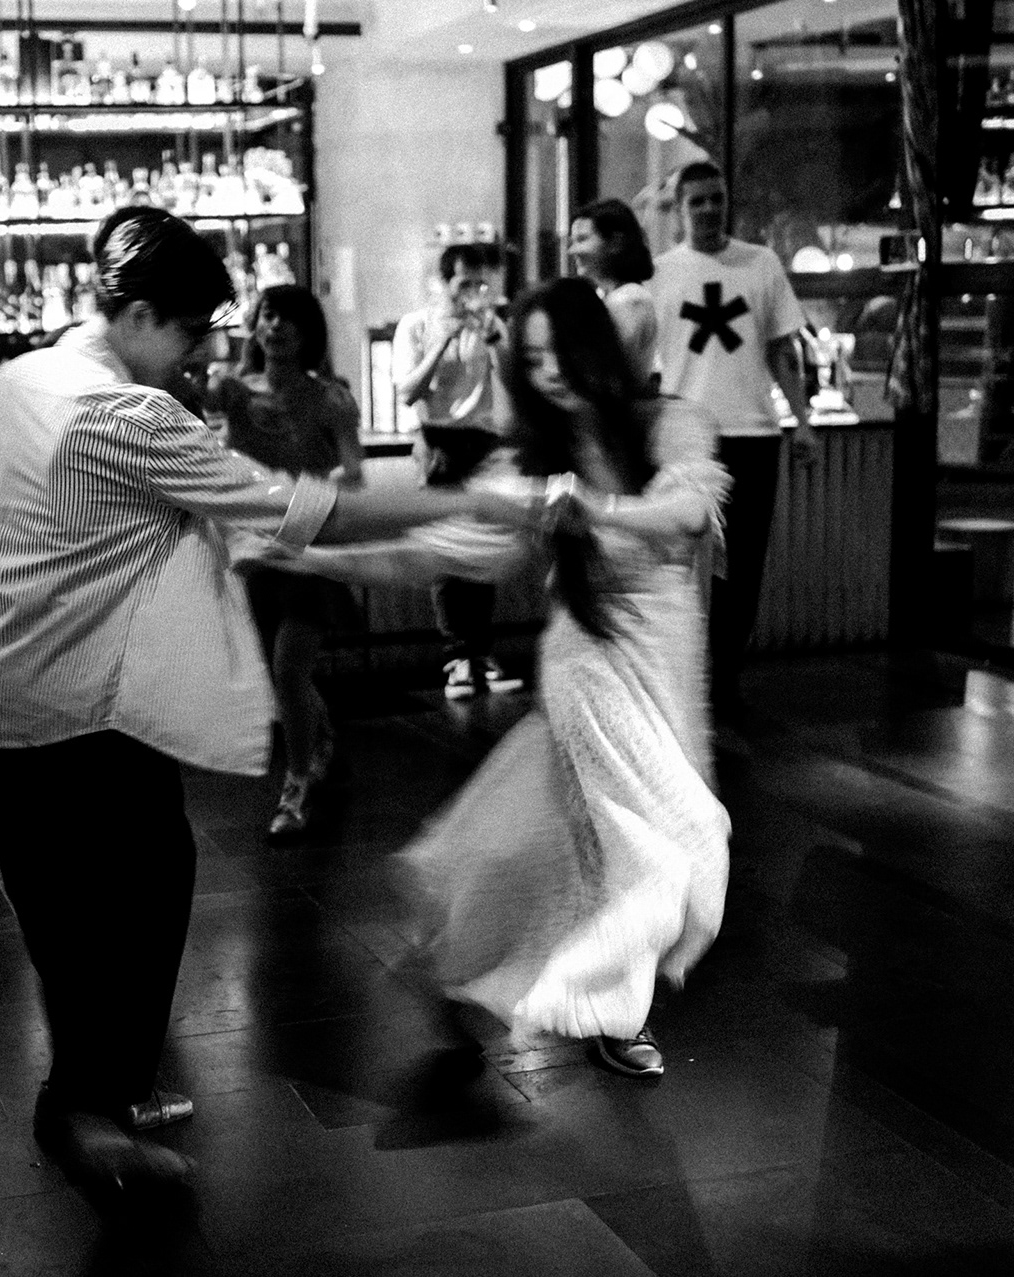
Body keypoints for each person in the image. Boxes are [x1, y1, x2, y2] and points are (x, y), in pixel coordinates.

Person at [0, 207, 538, 1195]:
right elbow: (312, 511)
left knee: (64, 907)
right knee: (139, 894)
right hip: (82, 703)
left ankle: (96, 1093)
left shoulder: (21, 378)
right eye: (188, 331)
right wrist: (470, 502)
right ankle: (86, 1109)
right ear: (138, 313)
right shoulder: (128, 415)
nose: (199, 354)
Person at [274, 276, 732, 1084]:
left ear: (596, 345)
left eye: (562, 352)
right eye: (533, 359)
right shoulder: (532, 465)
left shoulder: (671, 424)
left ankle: (576, 1003)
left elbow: (689, 515)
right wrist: (311, 557)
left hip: (664, 666)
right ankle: (551, 998)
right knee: (645, 843)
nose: (550, 372)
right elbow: (429, 549)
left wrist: (592, 509)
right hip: (589, 671)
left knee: (583, 848)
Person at [648, 160, 816, 715]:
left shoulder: (761, 264)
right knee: (679, 562)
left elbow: (781, 351)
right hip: (684, 438)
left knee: (742, 568)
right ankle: (681, 678)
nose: (709, 209)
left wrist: (803, 422)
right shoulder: (659, 274)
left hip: (752, 433)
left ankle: (723, 680)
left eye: (716, 198)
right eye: (696, 201)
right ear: (679, 209)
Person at [209, 284, 364, 841]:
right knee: (281, 673)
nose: (275, 326)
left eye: (288, 318)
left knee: (288, 669)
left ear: (308, 332)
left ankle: (295, 787)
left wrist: (307, 494)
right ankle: (321, 740)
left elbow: (354, 472)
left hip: (306, 547)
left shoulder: (330, 399)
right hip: (252, 550)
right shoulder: (232, 391)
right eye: (268, 315)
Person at [393, 242, 524, 701]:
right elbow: (407, 392)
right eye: (465, 283)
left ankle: (481, 653)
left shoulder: (493, 327)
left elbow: (515, 384)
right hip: (439, 441)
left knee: (482, 549)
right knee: (449, 550)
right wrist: (444, 340)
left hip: (483, 440)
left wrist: (495, 340)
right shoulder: (416, 325)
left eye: (481, 284)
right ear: (444, 283)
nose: (474, 293)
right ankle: (457, 658)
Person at [568, 197, 659, 390]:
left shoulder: (629, 301)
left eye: (582, 239)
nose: (572, 250)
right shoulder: (609, 297)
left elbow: (602, 372)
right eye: (572, 241)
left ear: (615, 243)